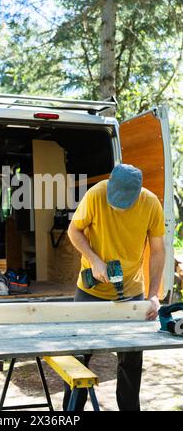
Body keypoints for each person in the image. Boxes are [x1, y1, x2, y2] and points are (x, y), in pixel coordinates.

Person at [63, 164, 165, 411]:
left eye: (124, 203)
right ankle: (71, 413)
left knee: (131, 361)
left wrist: (153, 295)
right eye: (115, 201)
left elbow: (158, 251)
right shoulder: (96, 195)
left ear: (138, 193)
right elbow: (73, 230)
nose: (118, 207)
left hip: (131, 291)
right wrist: (95, 260)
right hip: (90, 291)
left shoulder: (150, 204)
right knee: (78, 356)